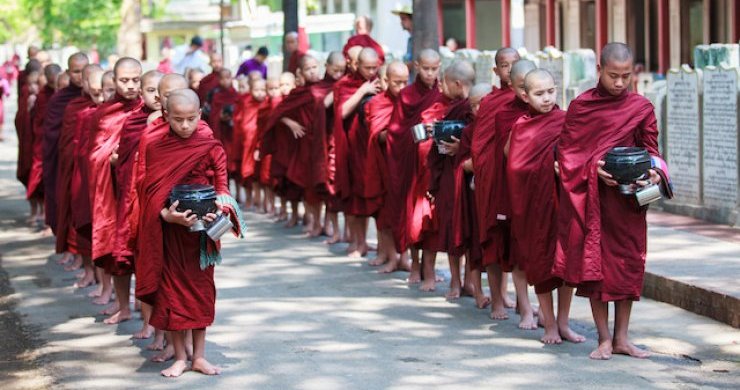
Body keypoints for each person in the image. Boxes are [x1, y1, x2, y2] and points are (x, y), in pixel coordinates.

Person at [553, 42, 670, 360]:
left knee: (627, 266)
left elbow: (652, 151)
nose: (619, 83)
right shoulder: (581, 106)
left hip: (627, 202)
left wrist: (654, 174)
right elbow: (567, 155)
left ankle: (622, 338)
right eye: (613, 76)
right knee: (597, 268)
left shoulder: (641, 107)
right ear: (599, 71)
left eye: (626, 76)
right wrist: (594, 170)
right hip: (593, 203)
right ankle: (603, 338)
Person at [136, 88, 245, 377]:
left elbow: (223, 189)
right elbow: (148, 192)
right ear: (165, 116)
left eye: (190, 119)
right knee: (171, 293)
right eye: (178, 119)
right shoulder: (156, 146)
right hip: (171, 234)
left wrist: (218, 212)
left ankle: (199, 356)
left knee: (200, 293)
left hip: (201, 236)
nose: (184, 126)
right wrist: (166, 216)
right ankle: (180, 358)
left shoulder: (211, 146)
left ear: (200, 115)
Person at [505, 68, 585, 345]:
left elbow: (580, 156)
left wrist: (565, 168)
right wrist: (543, 168)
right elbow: (514, 164)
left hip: (563, 206)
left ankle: (564, 323)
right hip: (534, 209)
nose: (547, 98)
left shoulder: (565, 120)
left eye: (551, 91)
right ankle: (548, 324)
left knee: (566, 266)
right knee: (541, 264)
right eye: (539, 94)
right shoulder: (521, 126)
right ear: (525, 95)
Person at [88, 57, 144, 325]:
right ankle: (123, 306)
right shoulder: (105, 113)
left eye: (136, 80)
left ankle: (147, 316)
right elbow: (95, 154)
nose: (131, 86)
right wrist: (110, 159)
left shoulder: (149, 111)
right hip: (115, 192)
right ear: (115, 80)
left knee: (145, 254)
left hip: (142, 193)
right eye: (125, 80)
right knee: (119, 254)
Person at [110, 70, 165, 336]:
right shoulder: (132, 122)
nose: (156, 95)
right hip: (131, 200)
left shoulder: (176, 121)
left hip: (158, 204)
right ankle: (142, 320)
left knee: (155, 262)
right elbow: (122, 165)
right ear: (142, 94)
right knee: (127, 256)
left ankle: (158, 326)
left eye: (160, 90)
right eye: (151, 90)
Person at [470, 47, 520, 320]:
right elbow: (480, 146)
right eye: (504, 65)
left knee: (519, 242)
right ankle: (496, 302)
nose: (509, 70)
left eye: (514, 64)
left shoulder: (530, 97)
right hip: (494, 180)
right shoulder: (490, 102)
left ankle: (515, 297)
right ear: (495, 71)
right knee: (493, 238)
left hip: (518, 183)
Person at [386, 49, 442, 285]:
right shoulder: (407, 95)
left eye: (434, 68)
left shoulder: (441, 94)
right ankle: (415, 264)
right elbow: (395, 132)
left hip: (433, 166)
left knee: (431, 219)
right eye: (426, 68)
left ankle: (429, 269)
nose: (430, 73)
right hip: (411, 166)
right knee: (412, 218)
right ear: (417, 66)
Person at [424, 60, 476, 297]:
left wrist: (463, 147)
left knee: (469, 231)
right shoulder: (455, 107)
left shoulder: (473, 107)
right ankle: (455, 281)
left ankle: (467, 282)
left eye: (443, 83)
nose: (440, 88)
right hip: (451, 175)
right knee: (453, 228)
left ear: (456, 83)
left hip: (470, 176)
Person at [333, 48, 383, 257]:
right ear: (356, 65)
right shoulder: (344, 84)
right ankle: (357, 242)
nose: (371, 72)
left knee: (372, 195)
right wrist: (362, 91)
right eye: (367, 67)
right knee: (354, 197)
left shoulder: (380, 81)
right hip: (352, 147)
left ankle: (369, 244)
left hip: (373, 147)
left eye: (374, 67)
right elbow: (342, 112)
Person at [55, 63, 103, 275]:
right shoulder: (76, 108)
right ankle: (88, 269)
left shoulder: (111, 111)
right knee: (82, 217)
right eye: (96, 91)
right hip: (79, 173)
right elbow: (68, 144)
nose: (101, 97)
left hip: (104, 178)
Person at [364, 60, 409, 273]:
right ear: (386, 81)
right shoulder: (377, 103)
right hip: (383, 166)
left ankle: (405, 258)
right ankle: (392, 257)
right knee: (385, 214)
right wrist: (398, 132)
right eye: (396, 83)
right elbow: (376, 136)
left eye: (404, 82)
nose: (401, 88)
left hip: (406, 166)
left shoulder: (411, 101)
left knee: (406, 214)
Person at [453, 82, 492, 309]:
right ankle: (478, 291)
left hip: (495, 194)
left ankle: (502, 295)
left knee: (498, 247)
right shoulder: (469, 131)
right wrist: (484, 163)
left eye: (483, 104)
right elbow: (463, 165)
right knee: (475, 247)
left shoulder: (501, 126)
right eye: (474, 106)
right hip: (474, 195)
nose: (479, 110)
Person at [68, 65, 106, 290]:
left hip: (111, 184)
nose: (102, 98)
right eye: (96, 93)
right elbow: (77, 150)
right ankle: (94, 275)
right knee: (90, 227)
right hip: (87, 179)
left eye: (105, 91)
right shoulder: (83, 113)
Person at [42, 55, 89, 239]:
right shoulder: (59, 100)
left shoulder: (99, 95)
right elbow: (51, 134)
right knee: (66, 202)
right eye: (76, 71)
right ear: (69, 73)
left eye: (84, 70)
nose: (81, 76)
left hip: (86, 163)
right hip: (65, 160)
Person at [237, 78, 271, 211]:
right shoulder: (247, 103)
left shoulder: (268, 104)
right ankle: (249, 198)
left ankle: (262, 200)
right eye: (257, 90)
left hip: (262, 143)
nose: (260, 93)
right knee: (247, 172)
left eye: (263, 90)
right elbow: (244, 124)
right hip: (248, 144)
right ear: (251, 91)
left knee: (261, 174)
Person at [207, 69, 240, 199]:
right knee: (221, 164)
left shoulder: (236, 94)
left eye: (228, 78)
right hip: (219, 134)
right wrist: (219, 117)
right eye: (223, 78)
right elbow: (210, 114)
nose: (225, 81)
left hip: (232, 135)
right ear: (219, 80)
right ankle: (224, 191)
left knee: (234, 164)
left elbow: (240, 112)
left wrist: (231, 118)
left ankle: (237, 192)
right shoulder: (214, 95)